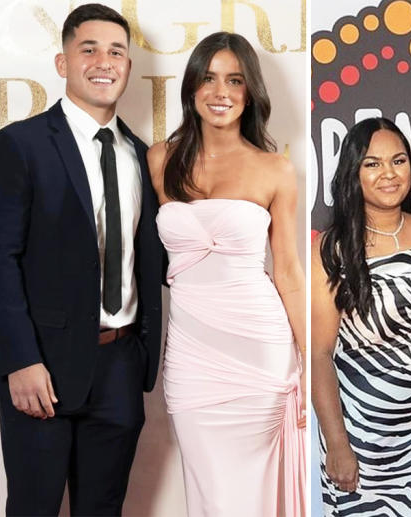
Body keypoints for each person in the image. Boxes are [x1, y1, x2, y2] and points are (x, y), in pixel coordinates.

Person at [0, 4, 163, 515]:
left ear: (129, 67)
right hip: (41, 367)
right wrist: (19, 358)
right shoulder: (19, 146)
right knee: (34, 507)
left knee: (102, 509)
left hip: (120, 367)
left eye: (116, 52)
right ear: (63, 62)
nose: (104, 62)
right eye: (88, 49)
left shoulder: (142, 155)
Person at [146, 32, 305, 516]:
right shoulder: (160, 159)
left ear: (250, 91)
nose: (221, 92)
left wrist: (309, 364)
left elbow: (290, 272)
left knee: (254, 496)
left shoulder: (275, 169)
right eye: (209, 78)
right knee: (211, 496)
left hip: (260, 353)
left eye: (234, 80)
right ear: (192, 88)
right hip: (193, 359)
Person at [309, 117, 411, 516]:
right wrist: (338, 443)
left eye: (398, 161)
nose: (388, 174)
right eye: (372, 164)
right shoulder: (332, 250)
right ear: (352, 172)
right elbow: (318, 354)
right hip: (364, 434)